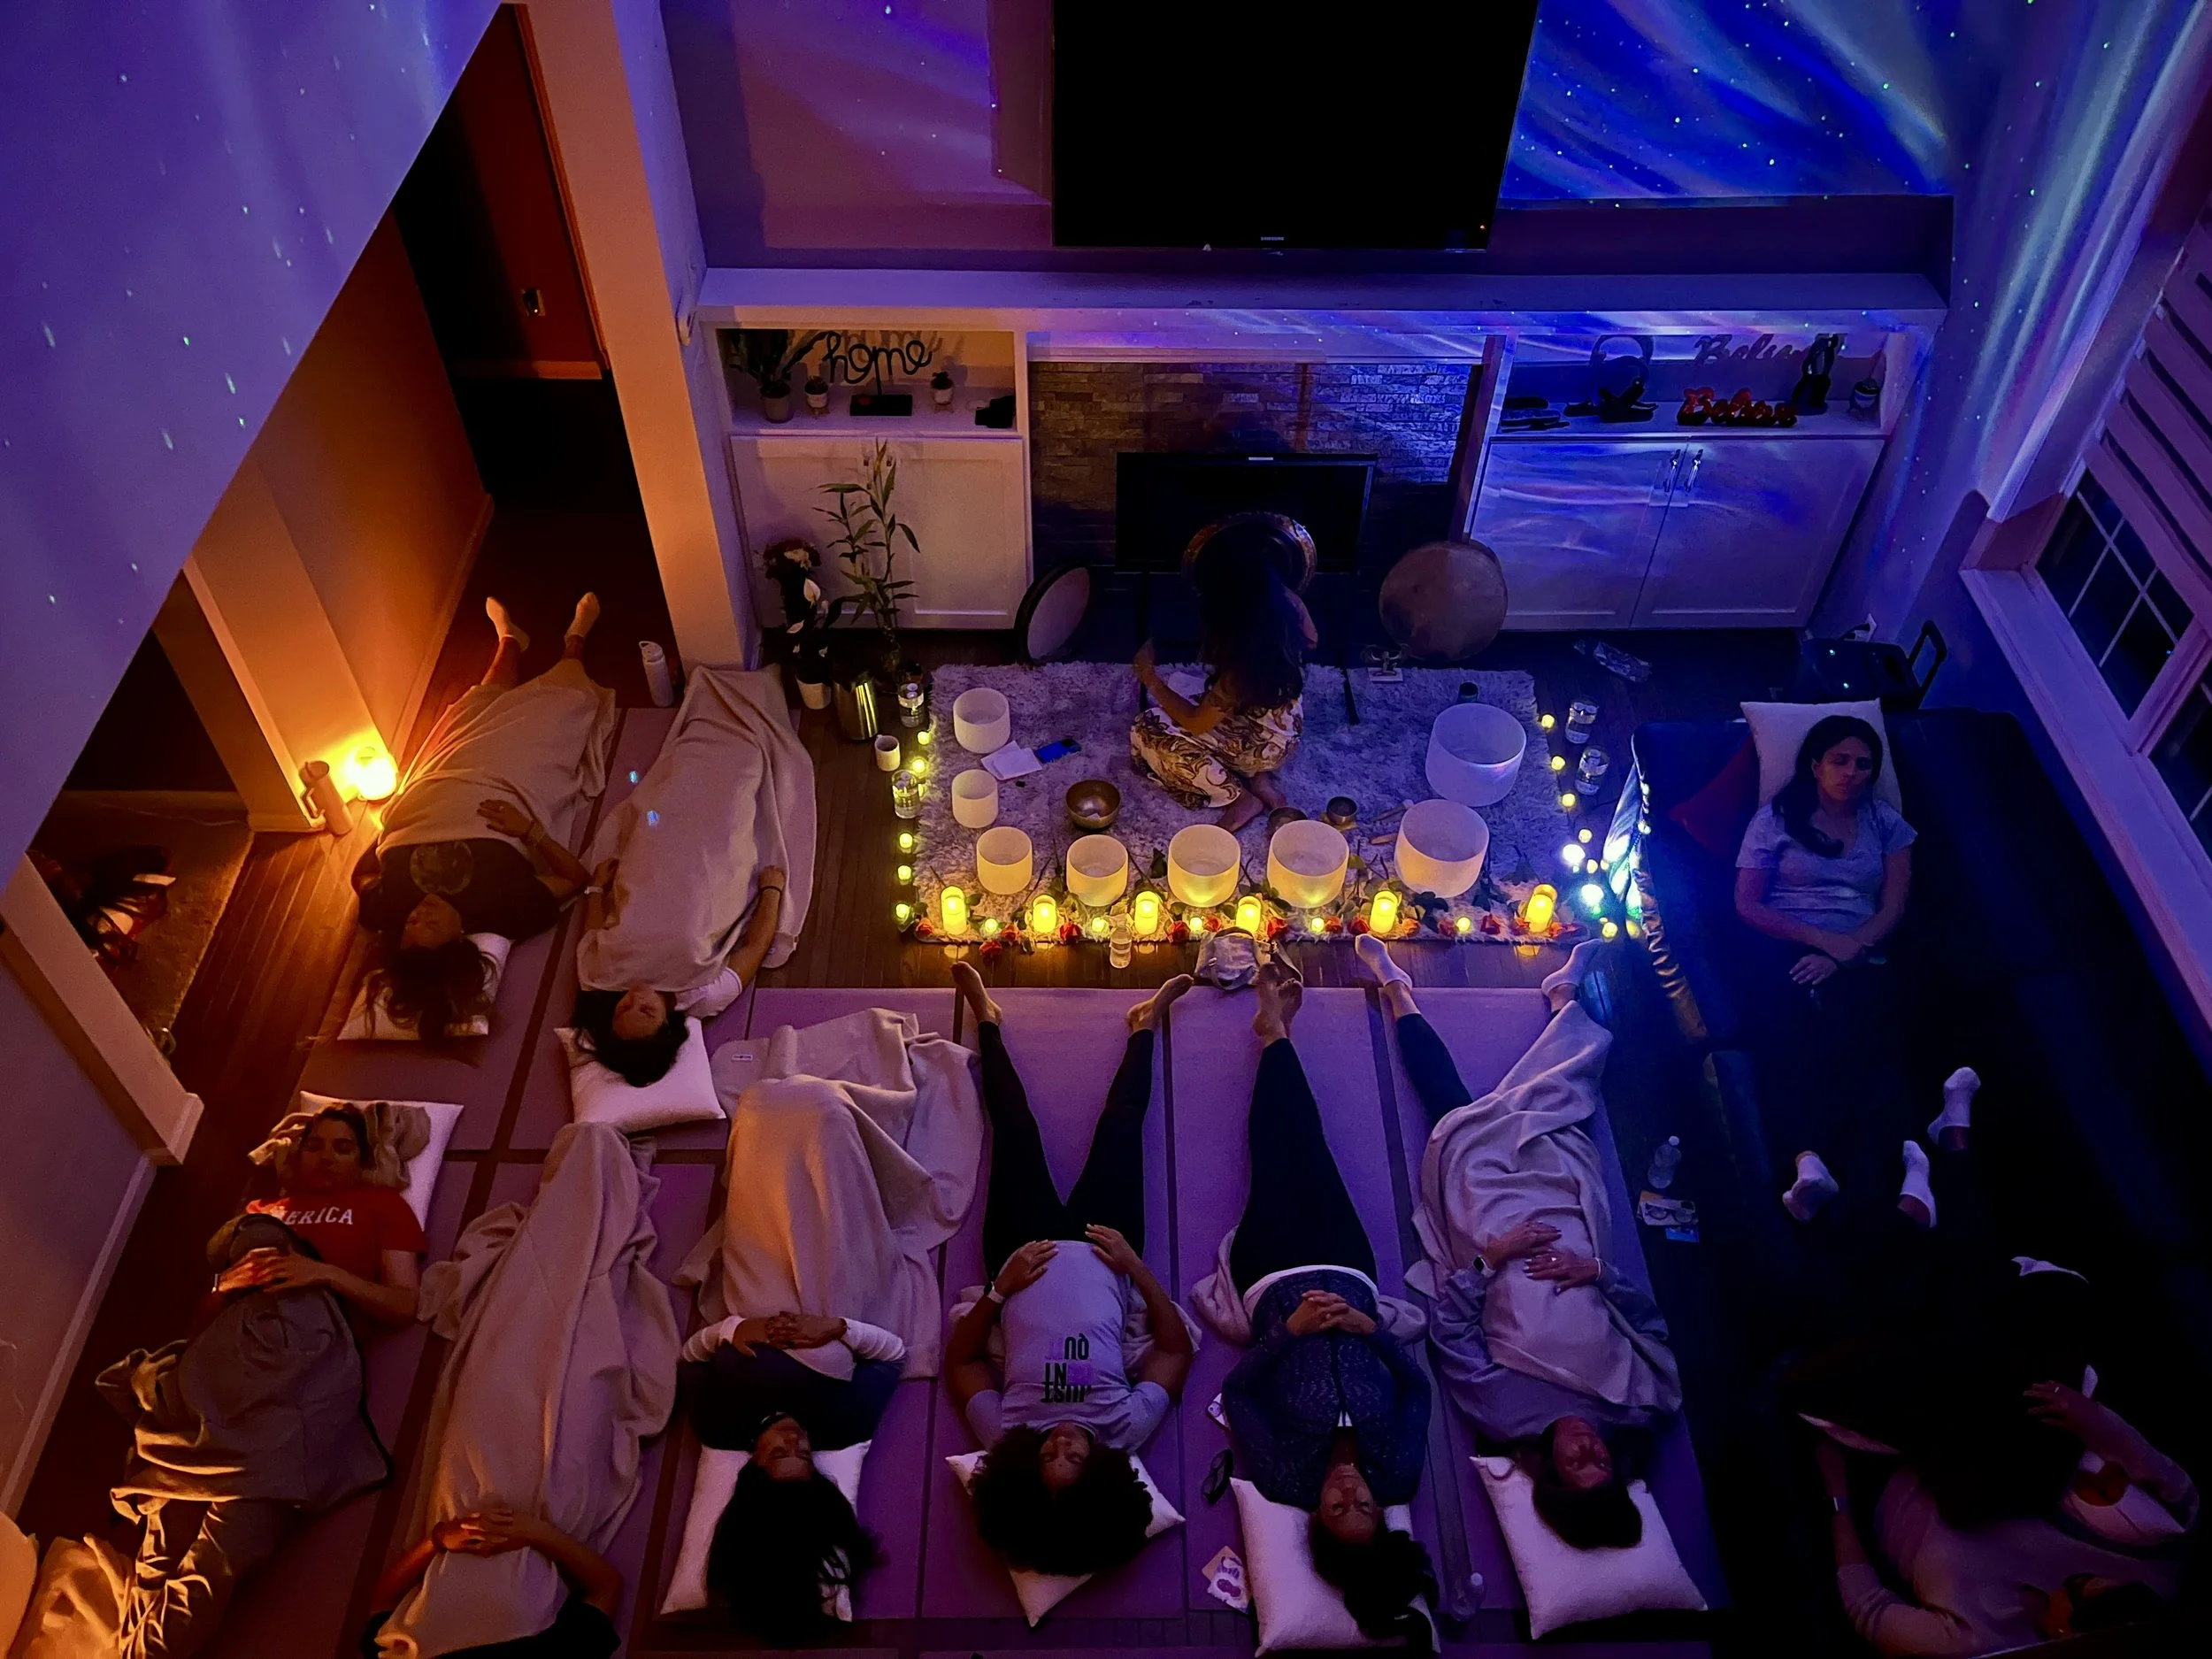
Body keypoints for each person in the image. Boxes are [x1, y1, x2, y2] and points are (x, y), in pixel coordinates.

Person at [1362, 935, 1682, 1552]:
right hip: (1570, 1229)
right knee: (1563, 1111)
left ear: (1554, 1475)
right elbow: (1650, 1328)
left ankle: (1396, 989)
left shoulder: (1507, 1415)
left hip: (1493, 1234)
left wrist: (1494, 1255)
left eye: (1579, 1465)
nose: (1590, 1450)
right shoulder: (1638, 1408)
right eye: (1602, 1464)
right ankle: (1562, 993)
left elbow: (1451, 1332)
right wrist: (1596, 1272)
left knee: (1455, 1116)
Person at [1210, 960, 1439, 1645]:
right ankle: (1276, 1034)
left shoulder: (1285, 1477)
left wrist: (1287, 1332)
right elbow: (1417, 1388)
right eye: (1363, 1502)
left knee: (1271, 1156)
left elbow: (1240, 1393)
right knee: (1314, 1145)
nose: (1348, 1487)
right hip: (1349, 1272)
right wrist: (1369, 1329)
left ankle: (1273, 1033)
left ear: (1317, 1519)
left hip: (1274, 1281)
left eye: (1340, 1505)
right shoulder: (1398, 1471)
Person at [944, 963, 1196, 1577]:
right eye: (1074, 1458)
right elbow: (1174, 1349)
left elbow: (963, 1361)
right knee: (1121, 1127)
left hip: (1019, 1250)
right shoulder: (1126, 1428)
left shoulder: (1005, 1432)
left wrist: (1000, 1289)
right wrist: (1135, 1267)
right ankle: (1144, 1024)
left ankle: (988, 1021)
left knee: (1016, 1129)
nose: (1061, 1443)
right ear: (1101, 1472)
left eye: (1050, 1457)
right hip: (1108, 1248)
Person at [351, 595, 613, 1039]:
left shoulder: (386, 911)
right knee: (560, 706)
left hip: (440, 787)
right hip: (509, 783)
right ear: (458, 941)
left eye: (413, 923)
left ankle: (510, 641)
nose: (421, 913)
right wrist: (528, 831)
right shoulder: (505, 912)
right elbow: (574, 877)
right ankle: (575, 639)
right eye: (430, 924)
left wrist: (395, 829)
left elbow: (361, 876)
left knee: (474, 709)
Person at [1732, 715, 1920, 1222]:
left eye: (1864, 764)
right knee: (1791, 1035)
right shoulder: (1776, 819)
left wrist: (1849, 949)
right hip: (1788, 941)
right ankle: (1806, 1161)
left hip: (1862, 950)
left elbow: (1894, 906)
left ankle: (1868, 1185)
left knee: (1857, 1045)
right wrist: (1825, 942)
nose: (1852, 772)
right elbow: (1748, 904)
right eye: (1839, 760)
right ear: (1815, 765)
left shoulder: (1887, 824)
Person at [1814, 1414, 2189, 1657]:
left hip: (1877, 1486)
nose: (2076, 1575)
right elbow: (2174, 1494)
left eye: (2075, 1587)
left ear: (2064, 1633)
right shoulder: (2150, 1582)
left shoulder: (1978, 1639)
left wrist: (1837, 1495)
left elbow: (1867, 1605)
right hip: (1958, 1446)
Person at [1129, 517, 1317, 831]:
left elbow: (1195, 721)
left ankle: (1238, 798)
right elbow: (1313, 639)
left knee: (1147, 726)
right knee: (1185, 686)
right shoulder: (1286, 606)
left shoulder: (1242, 665)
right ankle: (1260, 779)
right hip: (1284, 730)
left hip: (1259, 743)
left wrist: (1148, 675)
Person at [572, 865, 784, 1087]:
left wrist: (596, 888)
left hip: (648, 879)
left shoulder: (605, 983)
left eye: (624, 1008)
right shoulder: (704, 996)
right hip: (703, 884)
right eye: (647, 1010)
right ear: (666, 1024)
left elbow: (594, 941)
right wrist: (771, 889)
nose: (636, 998)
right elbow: (755, 947)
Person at [229, 1104, 425, 1331]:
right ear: (299, 1154)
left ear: (361, 1161)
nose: (326, 1157)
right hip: (236, 1331)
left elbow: (403, 1305)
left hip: (312, 1340)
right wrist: (221, 1288)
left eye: (342, 1149)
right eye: (313, 1147)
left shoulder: (384, 1204)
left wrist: (325, 1273)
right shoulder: (259, 1210)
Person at [361, 1506, 622, 1657]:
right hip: (545, 1513)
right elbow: (607, 1587)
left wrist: (436, 1540)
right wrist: (536, 1532)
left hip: (458, 1515)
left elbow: (380, 1604)